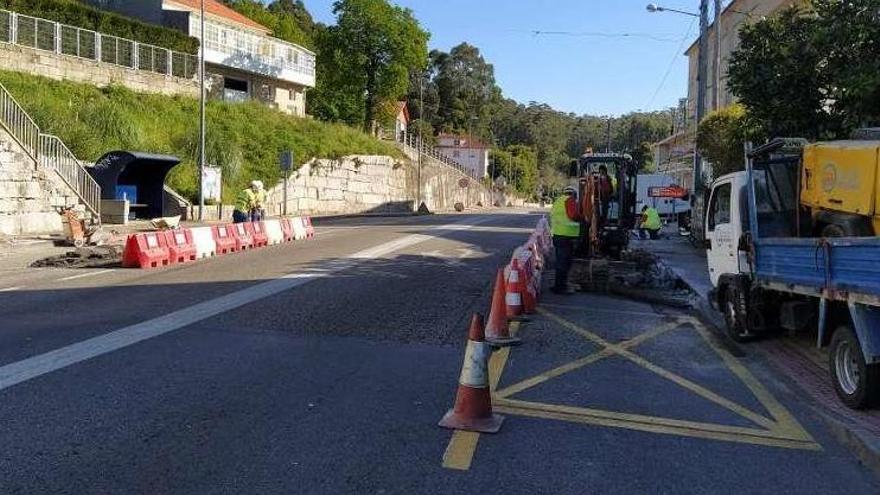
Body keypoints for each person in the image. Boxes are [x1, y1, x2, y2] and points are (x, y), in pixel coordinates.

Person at [551, 186, 582, 295]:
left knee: (560, 262)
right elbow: (573, 215)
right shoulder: (570, 200)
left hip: (558, 235)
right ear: (573, 194)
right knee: (564, 263)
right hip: (566, 236)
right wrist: (582, 219)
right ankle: (560, 287)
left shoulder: (558, 201)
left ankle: (558, 285)